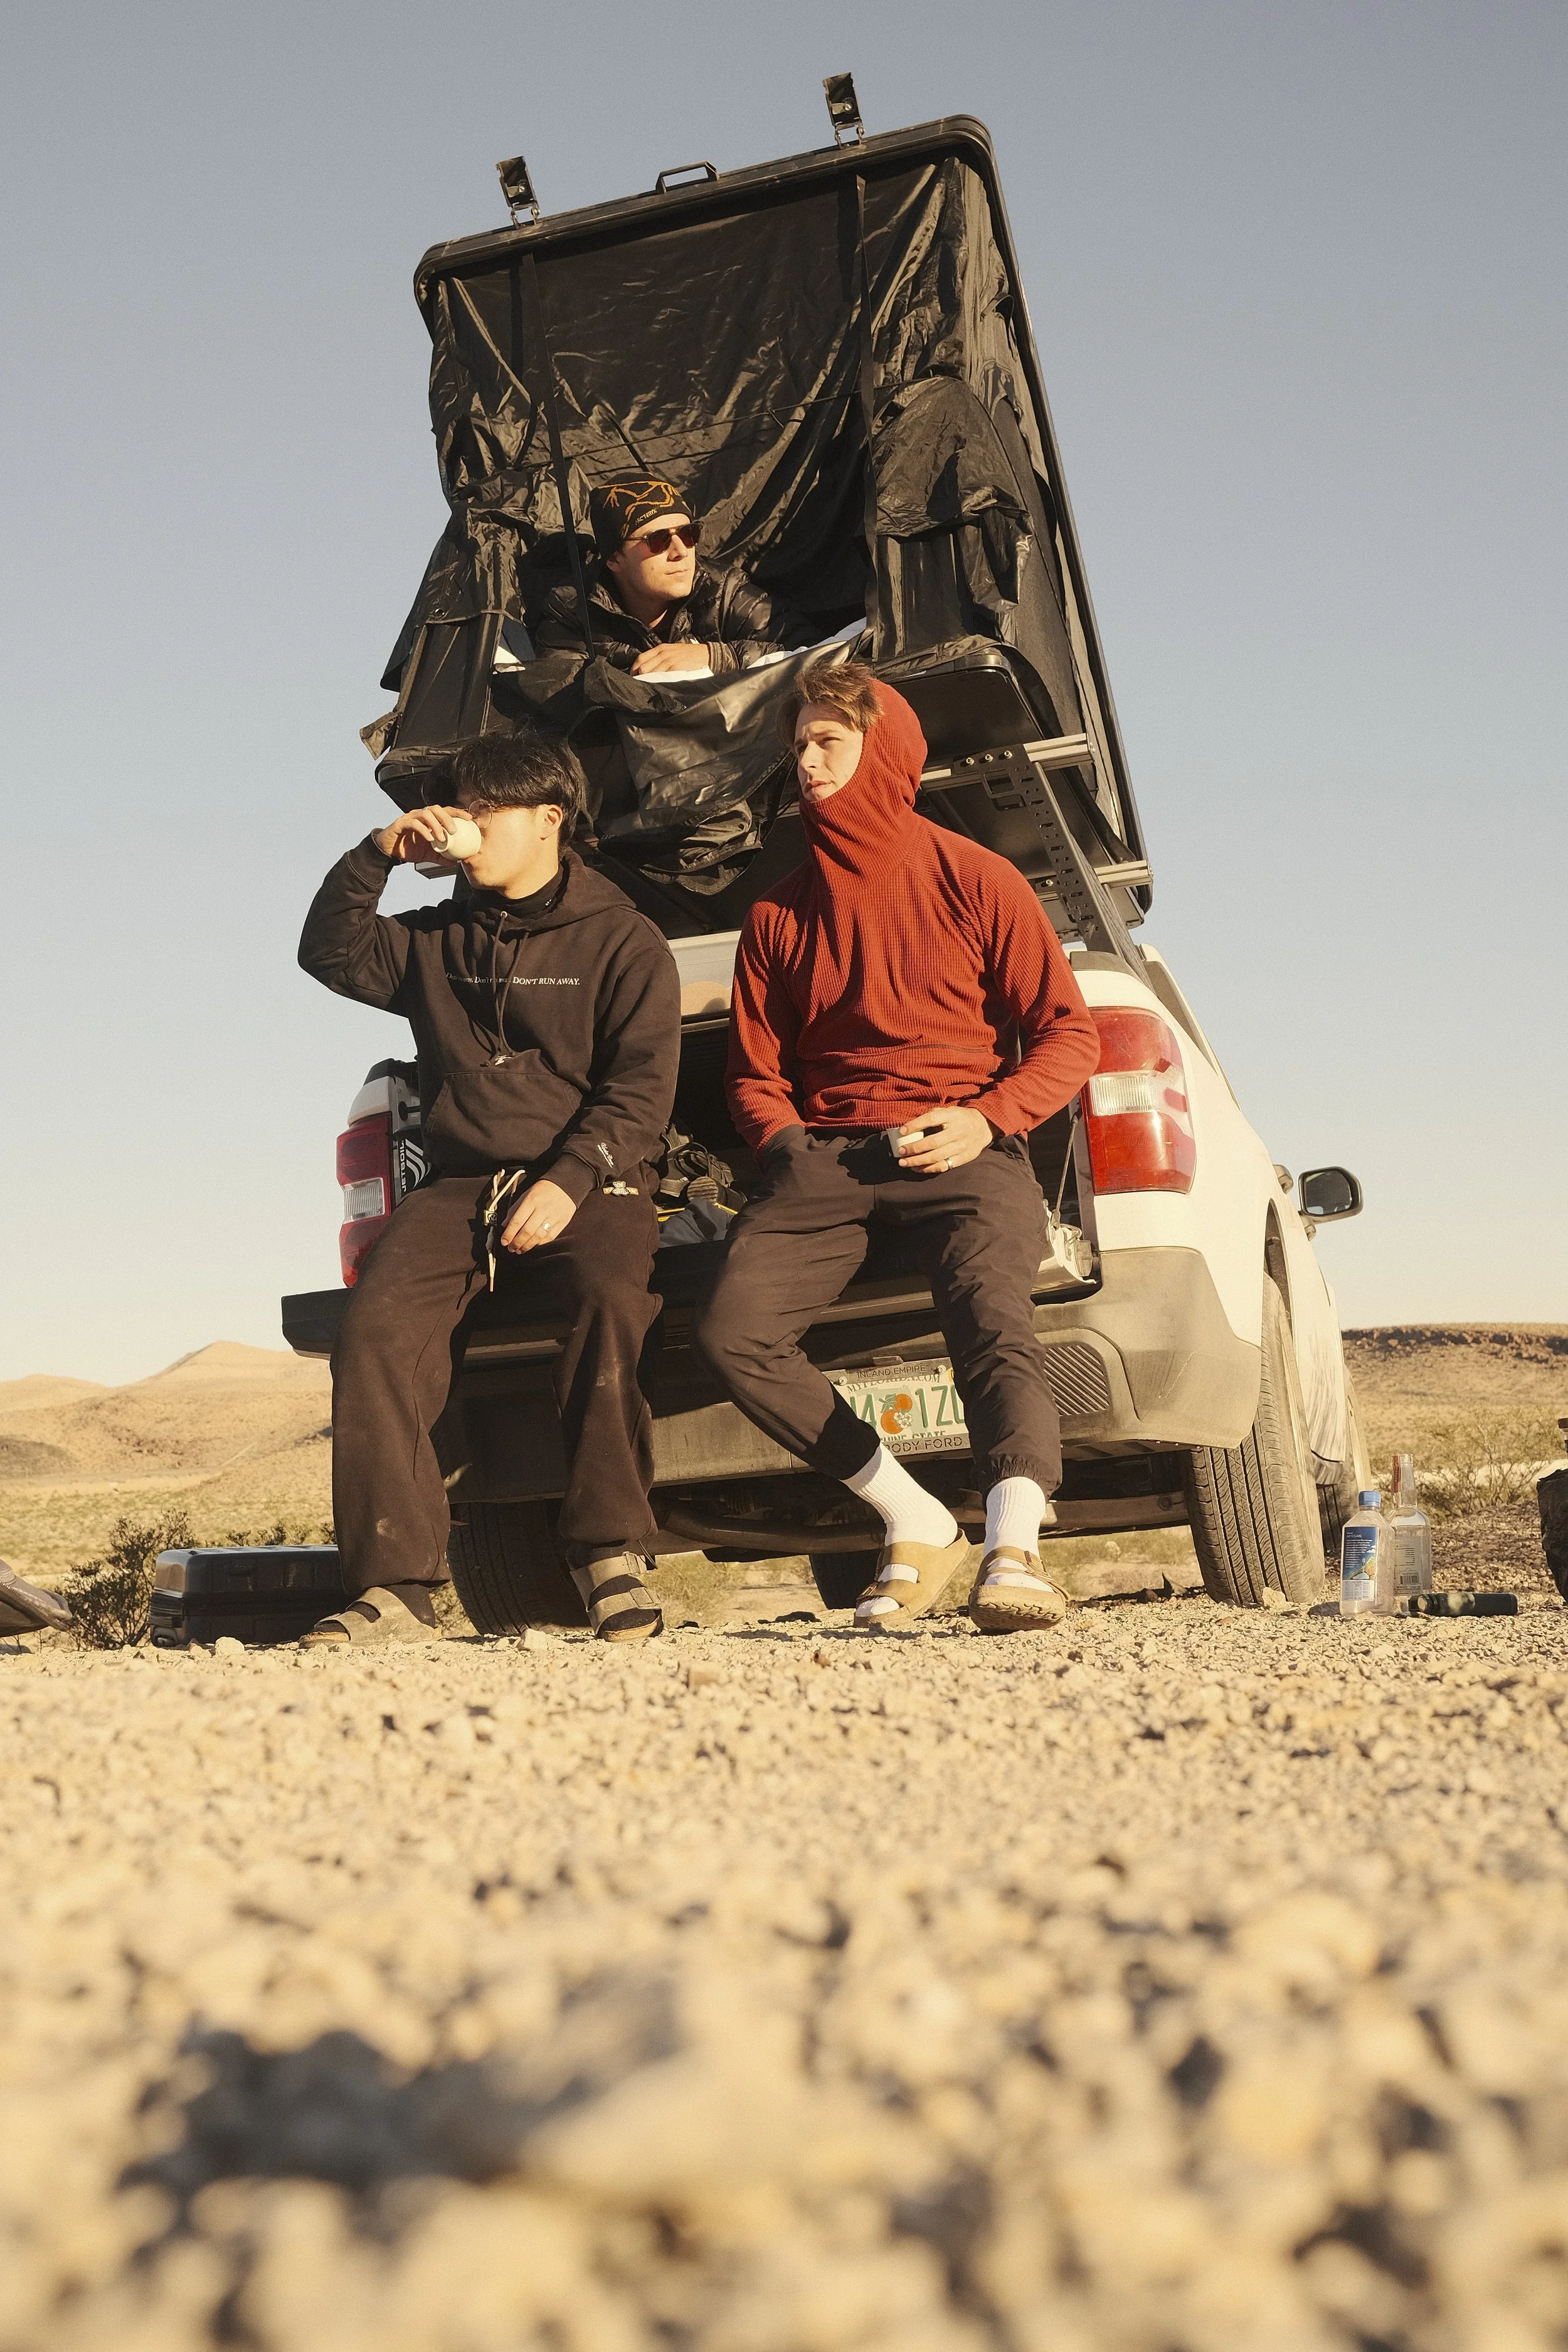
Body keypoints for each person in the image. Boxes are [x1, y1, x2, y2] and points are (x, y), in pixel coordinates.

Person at [696, 662, 1102, 1634]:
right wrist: (787, 1148)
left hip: (960, 1143)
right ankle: (913, 1515)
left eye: (828, 741)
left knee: (989, 1313)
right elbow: (753, 1071)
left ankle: (1014, 1544)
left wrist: (988, 1117)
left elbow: (1068, 1034)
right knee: (730, 1333)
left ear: (885, 751)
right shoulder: (777, 914)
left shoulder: (976, 877)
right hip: (829, 1160)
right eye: (798, 745)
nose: (807, 760)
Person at [297, 730, 681, 1647]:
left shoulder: (624, 938)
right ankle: (396, 1589)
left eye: (485, 809)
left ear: (550, 820)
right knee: (373, 1328)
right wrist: (380, 853)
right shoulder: (436, 938)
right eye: (460, 806)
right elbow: (328, 951)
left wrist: (571, 1177)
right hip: (465, 1180)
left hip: (594, 1174)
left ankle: (608, 1555)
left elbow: (641, 1091)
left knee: (607, 1299)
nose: (465, 824)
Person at [534, 472, 785, 679]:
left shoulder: (725, 592)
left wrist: (716, 657)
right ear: (614, 559)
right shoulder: (572, 612)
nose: (680, 551)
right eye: (658, 540)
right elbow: (560, 694)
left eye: (688, 534)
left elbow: (811, 653)